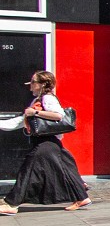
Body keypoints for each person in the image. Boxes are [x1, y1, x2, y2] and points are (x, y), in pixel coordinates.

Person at [0, 71, 90, 214]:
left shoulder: (47, 99)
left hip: (46, 142)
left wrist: (35, 113)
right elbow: (18, 122)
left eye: (33, 83)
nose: (30, 86)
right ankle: (81, 198)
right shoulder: (37, 100)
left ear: (42, 85)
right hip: (48, 142)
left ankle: (11, 204)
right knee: (67, 168)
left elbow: (59, 115)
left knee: (27, 170)